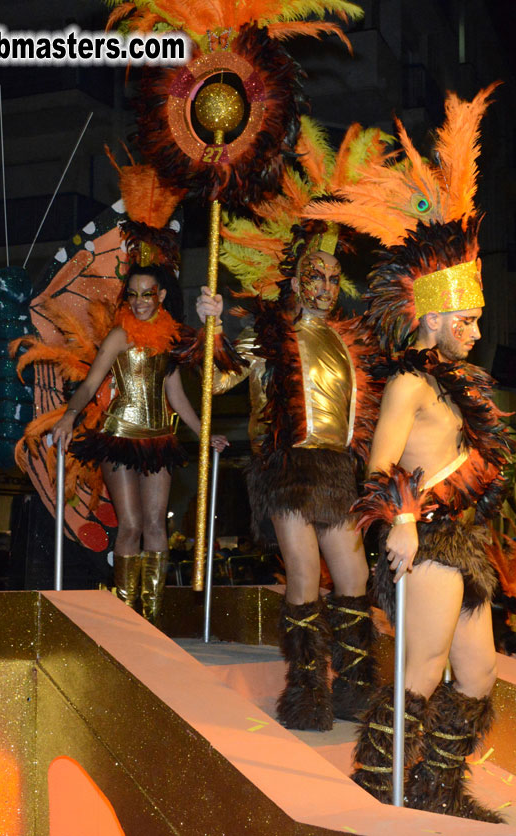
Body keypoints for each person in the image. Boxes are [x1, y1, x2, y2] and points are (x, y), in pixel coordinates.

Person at [305, 84, 512, 821]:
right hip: (424, 541)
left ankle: (436, 787)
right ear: (431, 315)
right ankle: (376, 789)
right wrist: (400, 520)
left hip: (466, 543)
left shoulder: (460, 383)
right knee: (420, 671)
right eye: (467, 319)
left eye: (478, 319)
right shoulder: (408, 383)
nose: (476, 332)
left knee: (479, 675)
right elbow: (377, 465)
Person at [200, 118, 389, 731]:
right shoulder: (269, 336)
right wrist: (211, 328)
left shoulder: (346, 343)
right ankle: (307, 692)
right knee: (304, 572)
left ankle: (355, 687)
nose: (327, 287)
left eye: (335, 278)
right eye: (316, 276)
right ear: (296, 277)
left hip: (337, 471)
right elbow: (214, 384)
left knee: (355, 575)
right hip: (287, 468)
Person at [46, 264, 228, 623]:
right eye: (133, 294)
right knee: (130, 524)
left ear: (161, 296)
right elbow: (89, 384)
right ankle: (129, 616)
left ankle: (153, 616)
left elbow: (176, 396)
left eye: (148, 294)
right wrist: (70, 415)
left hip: (158, 439)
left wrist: (205, 434)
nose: (140, 301)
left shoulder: (171, 339)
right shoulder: (119, 336)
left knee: (156, 525)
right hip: (119, 437)